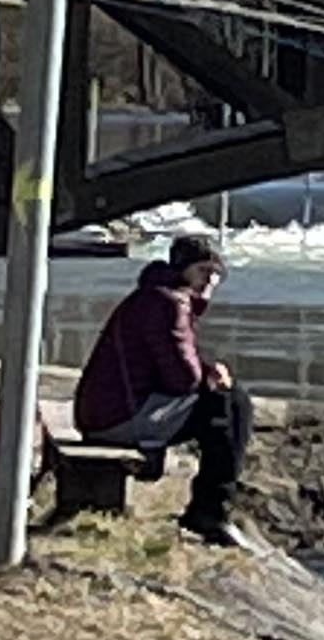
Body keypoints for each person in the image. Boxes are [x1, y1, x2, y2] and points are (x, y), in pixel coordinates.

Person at [72, 233, 251, 546]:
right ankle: (211, 512)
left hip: (105, 412)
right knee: (231, 405)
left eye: (216, 273)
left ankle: (210, 509)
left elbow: (172, 365)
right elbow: (183, 379)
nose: (209, 279)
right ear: (183, 270)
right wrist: (210, 376)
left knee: (223, 404)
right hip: (119, 419)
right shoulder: (170, 304)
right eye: (202, 271)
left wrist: (207, 371)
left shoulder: (155, 296)